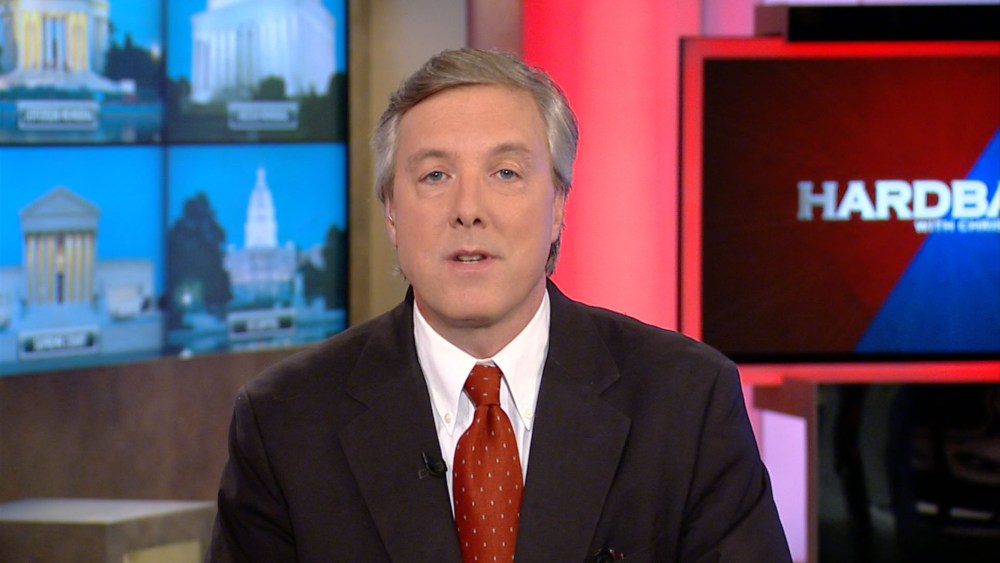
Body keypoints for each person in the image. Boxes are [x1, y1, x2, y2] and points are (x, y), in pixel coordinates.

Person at [209, 48, 791, 562]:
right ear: (391, 211)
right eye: (435, 175)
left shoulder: (686, 399)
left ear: (558, 204)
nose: (468, 209)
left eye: (505, 173)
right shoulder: (285, 420)